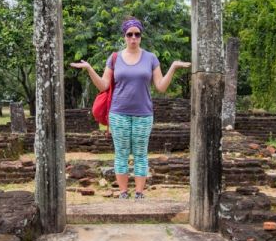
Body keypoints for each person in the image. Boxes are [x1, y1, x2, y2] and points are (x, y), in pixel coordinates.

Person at [70, 17, 191, 200]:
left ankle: (140, 193)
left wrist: (173, 67)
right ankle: (123, 193)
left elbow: (161, 87)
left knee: (141, 154)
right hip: (118, 114)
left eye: (137, 34)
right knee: (121, 153)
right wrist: (89, 69)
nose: (133, 37)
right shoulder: (114, 58)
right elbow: (103, 85)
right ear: (124, 36)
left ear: (141, 36)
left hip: (144, 114)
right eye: (129, 34)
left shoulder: (151, 58)